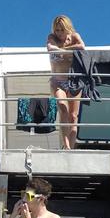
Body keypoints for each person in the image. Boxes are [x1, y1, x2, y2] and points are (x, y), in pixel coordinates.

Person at [46, 15, 86, 150]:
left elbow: (82, 47)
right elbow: (50, 48)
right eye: (57, 30)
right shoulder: (52, 37)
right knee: (62, 107)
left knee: (73, 116)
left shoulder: (74, 36)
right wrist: (67, 50)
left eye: (62, 30)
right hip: (57, 81)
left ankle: (72, 147)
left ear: (67, 28)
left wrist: (63, 50)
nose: (59, 33)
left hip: (74, 82)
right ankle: (67, 146)